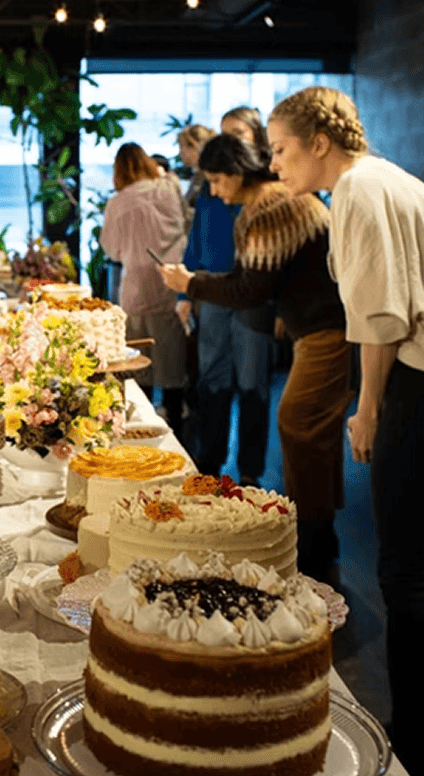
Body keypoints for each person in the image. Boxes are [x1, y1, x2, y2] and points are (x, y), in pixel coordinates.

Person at [268, 86, 424, 773]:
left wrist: (366, 408)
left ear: (318, 143)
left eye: (280, 150)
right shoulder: (388, 175)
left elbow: (381, 314)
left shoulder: (358, 189)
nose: (276, 167)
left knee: (404, 567)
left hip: (416, 381)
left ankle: (411, 731)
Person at [160, 133, 352, 581]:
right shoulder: (268, 203)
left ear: (233, 173)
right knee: (308, 430)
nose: (212, 191)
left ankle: (315, 543)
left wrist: (191, 284)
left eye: (214, 180)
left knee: (299, 424)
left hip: (327, 329)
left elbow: (251, 288)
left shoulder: (270, 205)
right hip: (318, 327)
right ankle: (319, 536)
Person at [177, 109, 274, 487]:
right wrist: (185, 285)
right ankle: (210, 462)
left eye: (237, 133)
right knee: (211, 378)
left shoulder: (266, 184)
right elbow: (198, 234)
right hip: (212, 286)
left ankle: (251, 470)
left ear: (255, 136)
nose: (228, 141)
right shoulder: (211, 181)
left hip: (252, 289)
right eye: (224, 134)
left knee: (253, 382)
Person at [100, 143, 189, 438]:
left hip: (136, 286)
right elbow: (185, 224)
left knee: (139, 361)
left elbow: (111, 250)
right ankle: (178, 425)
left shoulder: (119, 202)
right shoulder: (169, 188)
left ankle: (141, 428)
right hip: (174, 280)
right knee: (173, 359)